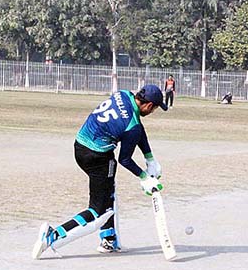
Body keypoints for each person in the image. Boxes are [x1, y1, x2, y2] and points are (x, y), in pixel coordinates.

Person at [32, 85, 168, 259]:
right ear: (148, 105)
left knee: (109, 190)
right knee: (98, 212)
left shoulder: (123, 94)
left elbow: (137, 128)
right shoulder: (131, 127)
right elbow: (125, 158)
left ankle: (109, 239)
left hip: (80, 147)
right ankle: (53, 236)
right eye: (155, 108)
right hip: (98, 159)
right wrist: (144, 178)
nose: (153, 111)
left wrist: (150, 158)